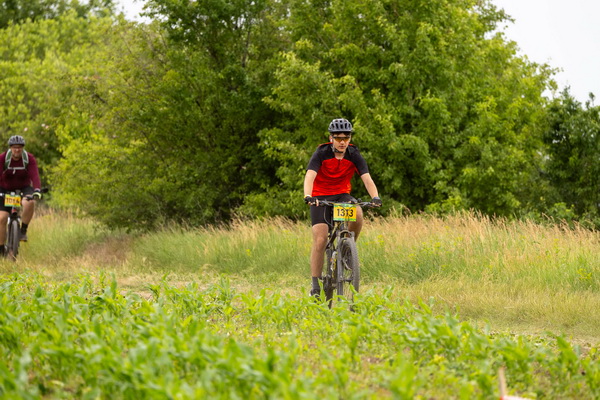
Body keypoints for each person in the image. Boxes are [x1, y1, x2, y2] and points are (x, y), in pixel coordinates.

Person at [303, 118, 382, 297]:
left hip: (341, 195)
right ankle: (315, 286)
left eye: (346, 138)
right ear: (331, 138)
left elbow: (367, 178)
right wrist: (308, 196)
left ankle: (347, 249)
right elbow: (310, 176)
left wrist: (375, 197)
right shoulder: (321, 153)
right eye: (338, 138)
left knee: (358, 213)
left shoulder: (353, 154)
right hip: (320, 196)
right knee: (321, 239)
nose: (342, 142)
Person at [0, 135, 42, 254]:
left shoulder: (29, 158)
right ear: (10, 148)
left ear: (22, 148)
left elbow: (35, 175)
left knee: (30, 202)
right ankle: (1, 249)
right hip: (4, 188)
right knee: (1, 218)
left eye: (19, 147)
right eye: (14, 147)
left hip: (23, 188)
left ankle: (23, 230)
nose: (17, 150)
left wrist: (37, 189)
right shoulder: (3, 158)